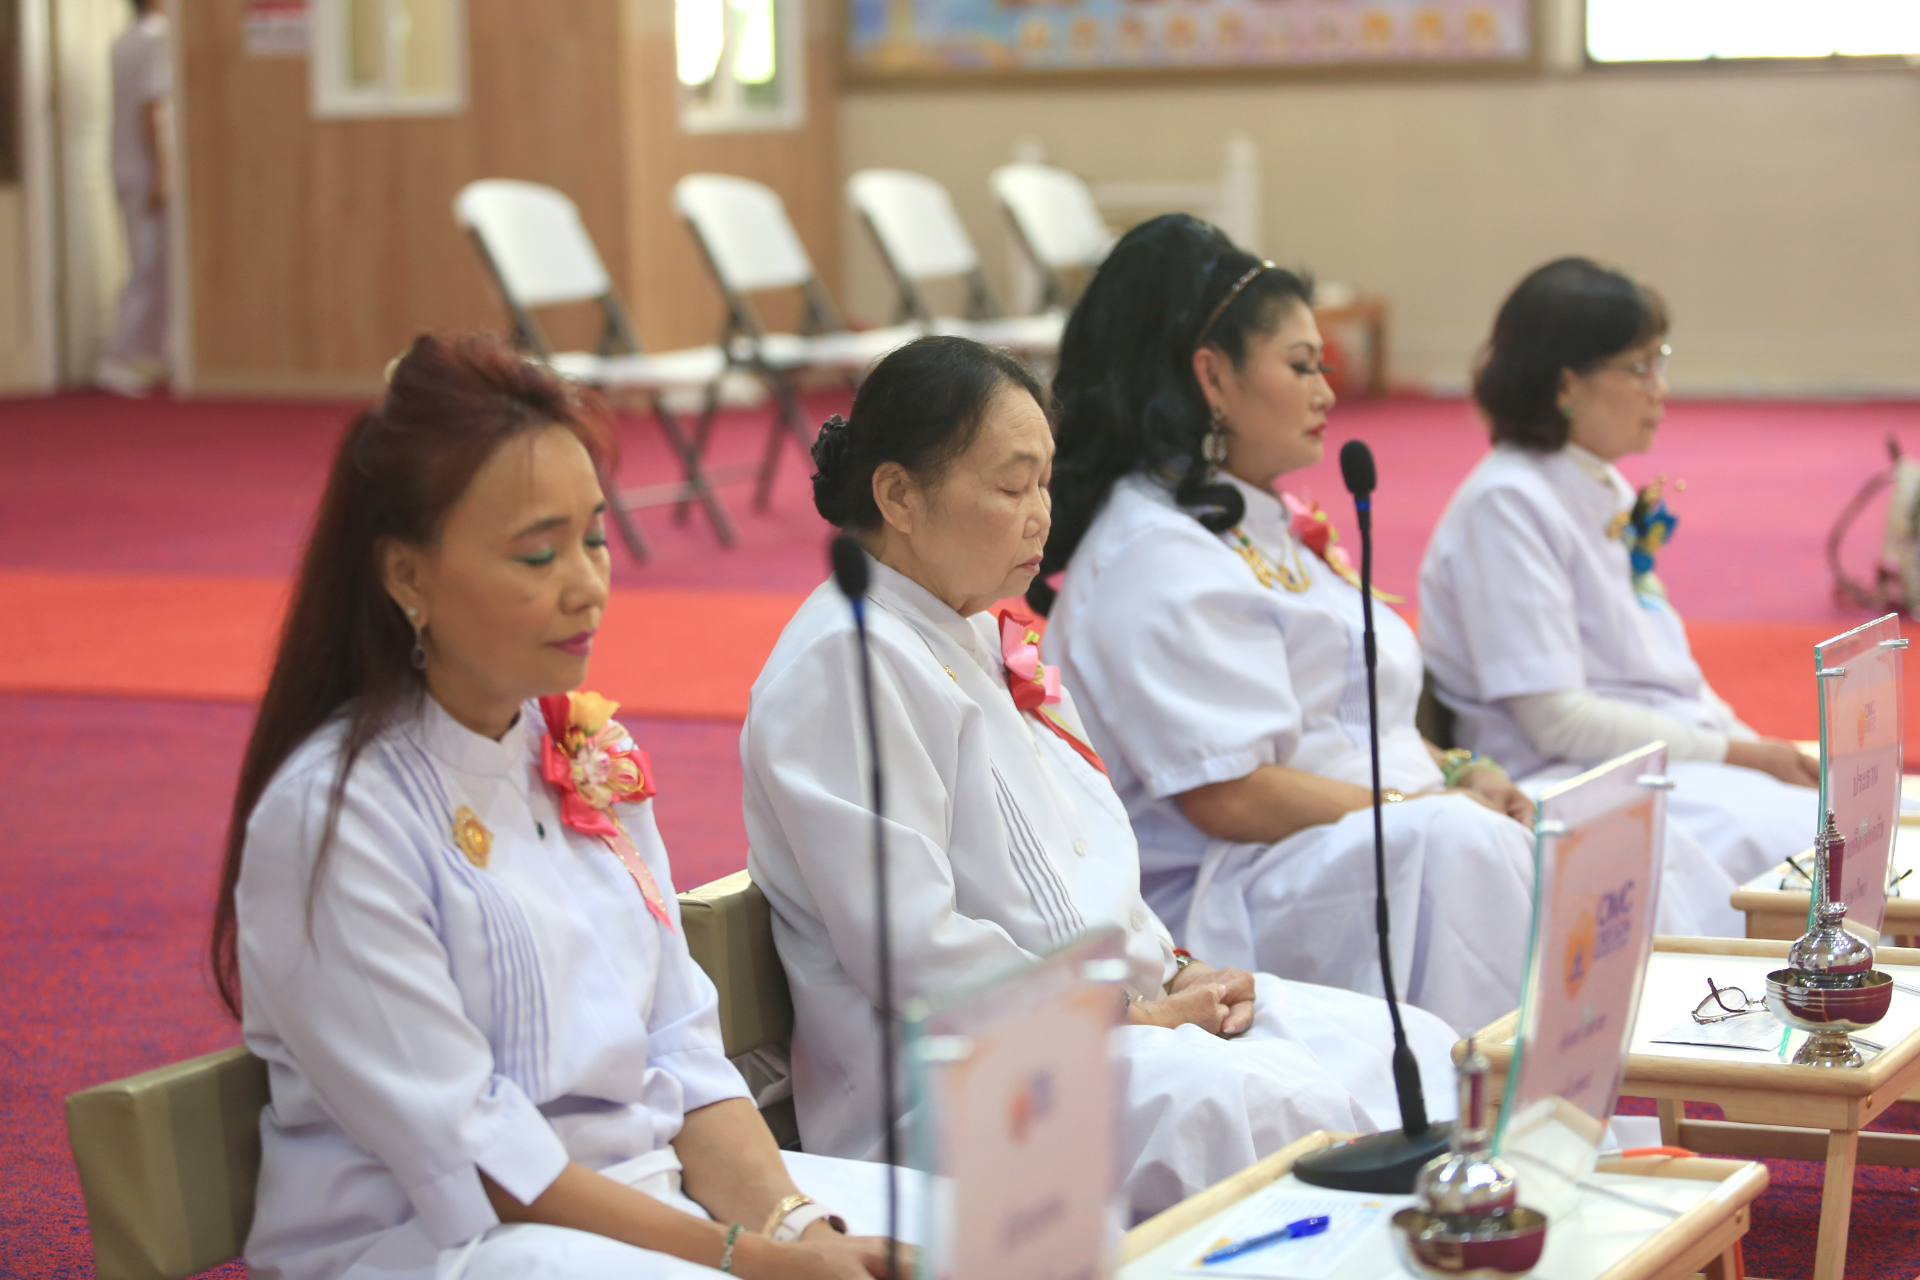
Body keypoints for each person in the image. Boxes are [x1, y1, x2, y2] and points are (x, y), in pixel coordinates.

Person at [210, 333, 906, 1280]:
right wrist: (741, 1258)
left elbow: (682, 1044)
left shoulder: (582, 753)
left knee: (992, 1241)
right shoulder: (336, 819)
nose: (586, 585)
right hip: (452, 1245)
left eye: (593, 538)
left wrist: (793, 1227)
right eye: (538, 555)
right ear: (406, 577)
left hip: (650, 1205)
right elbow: (474, 1148)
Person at [742, 335, 1462, 1225]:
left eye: (1045, 482)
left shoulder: (967, 627)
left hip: (1109, 1016)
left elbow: (1082, 857)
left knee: (1407, 1049)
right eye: (1011, 487)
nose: (1041, 514)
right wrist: (1136, 1015)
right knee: (1242, 1104)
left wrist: (1176, 971)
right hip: (947, 1086)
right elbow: (918, 958)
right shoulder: (843, 665)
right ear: (898, 494)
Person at [1038, 218, 1733, 1038]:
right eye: (1301, 366)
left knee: (1602, 819)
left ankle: (1687, 1068)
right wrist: (1418, 802)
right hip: (1244, 883)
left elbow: (1362, 721)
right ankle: (1496, 1124)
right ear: (1212, 378)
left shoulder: (1256, 522)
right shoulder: (1150, 552)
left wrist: (1465, 768)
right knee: (1460, 848)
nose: (1327, 393)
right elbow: (1229, 794)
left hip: (1366, 831)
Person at [1418, 257, 1818, 890]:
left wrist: (1747, 743)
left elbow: (1660, 670)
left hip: (1657, 756)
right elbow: (1557, 720)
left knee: (1867, 815)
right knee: (1811, 844)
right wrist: (1742, 753)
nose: (1659, 389)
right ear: (1564, 385)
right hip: (1570, 776)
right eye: (1638, 368)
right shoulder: (1508, 503)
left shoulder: (1594, 480)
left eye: (1660, 361)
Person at [98, 0, 171, 396]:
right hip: (147, 170)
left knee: (145, 264)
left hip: (127, 166)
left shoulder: (123, 41)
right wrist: (163, 170)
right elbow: (152, 109)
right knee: (147, 268)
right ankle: (120, 355)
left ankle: (146, 354)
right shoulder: (156, 42)